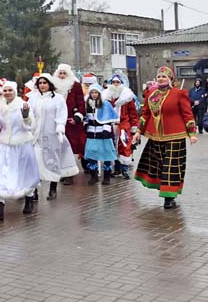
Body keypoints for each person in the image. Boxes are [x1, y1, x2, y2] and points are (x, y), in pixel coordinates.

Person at [133, 67, 198, 209]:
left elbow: (187, 114)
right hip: (155, 136)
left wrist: (192, 133)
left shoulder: (178, 93)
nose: (161, 78)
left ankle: (169, 198)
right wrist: (138, 131)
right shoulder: (151, 93)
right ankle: (164, 189)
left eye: (164, 76)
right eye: (159, 76)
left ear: (170, 79)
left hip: (175, 135)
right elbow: (145, 114)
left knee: (171, 167)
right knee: (159, 165)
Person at [0, 81, 39, 218]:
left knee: (24, 173)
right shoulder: (0, 107)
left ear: (15, 91)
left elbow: (31, 126)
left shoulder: (23, 105)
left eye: (10, 90)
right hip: (4, 144)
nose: (7, 93)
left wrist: (26, 116)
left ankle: (29, 199)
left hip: (21, 144)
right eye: (5, 90)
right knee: (0, 172)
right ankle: (0, 205)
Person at [28, 74, 78, 200]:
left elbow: (61, 114)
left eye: (45, 83)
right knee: (35, 163)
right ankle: (34, 191)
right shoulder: (33, 98)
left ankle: (53, 188)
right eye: (40, 83)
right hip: (35, 136)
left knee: (52, 161)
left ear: (50, 84)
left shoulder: (58, 98)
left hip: (52, 135)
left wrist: (60, 127)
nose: (42, 85)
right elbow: (28, 115)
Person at [102, 74, 139, 179]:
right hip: (110, 126)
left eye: (117, 82)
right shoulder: (106, 97)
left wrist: (134, 127)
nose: (115, 84)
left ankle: (124, 169)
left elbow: (133, 113)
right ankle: (117, 169)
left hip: (123, 126)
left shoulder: (127, 97)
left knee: (124, 146)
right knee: (112, 147)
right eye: (113, 82)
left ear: (121, 84)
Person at [53, 64, 86, 184]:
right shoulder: (53, 86)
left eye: (64, 73)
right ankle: (63, 172)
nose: (62, 76)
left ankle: (70, 174)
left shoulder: (75, 85)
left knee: (70, 148)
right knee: (58, 147)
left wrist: (77, 118)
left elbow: (81, 103)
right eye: (60, 73)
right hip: (57, 121)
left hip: (70, 121)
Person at [83, 84, 119, 186]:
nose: (94, 95)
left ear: (99, 93)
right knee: (91, 154)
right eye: (92, 93)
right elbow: (86, 117)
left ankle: (107, 177)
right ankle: (93, 176)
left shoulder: (105, 104)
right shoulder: (88, 104)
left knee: (106, 154)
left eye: (96, 93)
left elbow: (108, 119)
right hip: (91, 133)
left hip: (103, 133)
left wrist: (106, 130)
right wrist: (85, 124)